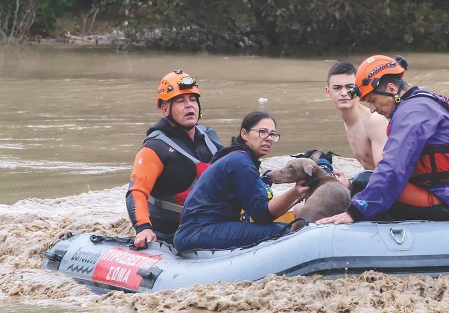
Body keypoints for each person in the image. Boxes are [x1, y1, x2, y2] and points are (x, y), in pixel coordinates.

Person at [317, 55, 449, 229]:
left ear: (391, 88)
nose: (373, 109)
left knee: (364, 183)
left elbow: (392, 168)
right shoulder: (424, 101)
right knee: (367, 184)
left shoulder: (411, 113)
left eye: (373, 101)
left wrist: (355, 212)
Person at [172, 111, 310, 252]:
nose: (268, 138)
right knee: (287, 230)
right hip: (198, 232)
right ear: (244, 134)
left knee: (286, 227)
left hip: (204, 229)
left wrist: (297, 195)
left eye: (273, 134)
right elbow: (262, 214)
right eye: (262, 132)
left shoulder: (236, 157)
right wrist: (296, 192)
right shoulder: (241, 162)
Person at [127, 70, 223, 249]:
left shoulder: (209, 136)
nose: (189, 106)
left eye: (193, 100)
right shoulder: (154, 147)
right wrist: (143, 228)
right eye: (180, 101)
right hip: (174, 234)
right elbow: (136, 192)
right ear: (165, 109)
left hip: (211, 223)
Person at [325, 61, 388, 170]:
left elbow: (386, 173)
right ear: (328, 92)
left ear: (359, 90)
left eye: (349, 87)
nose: (344, 93)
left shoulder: (374, 122)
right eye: (337, 88)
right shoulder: (348, 121)